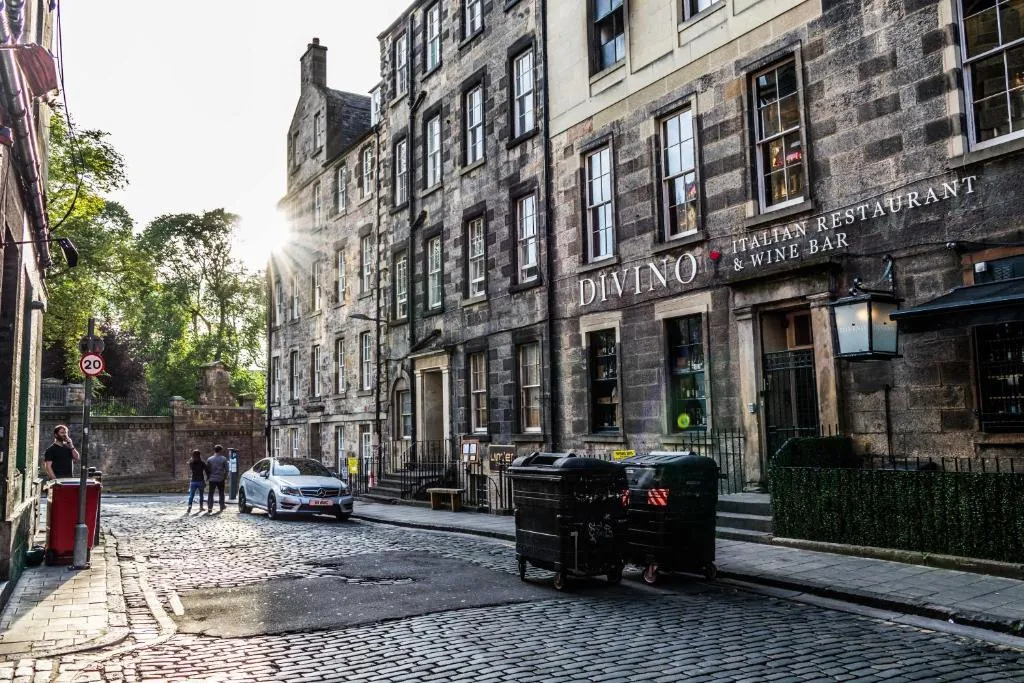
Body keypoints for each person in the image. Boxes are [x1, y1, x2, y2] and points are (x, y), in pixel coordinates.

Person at [206, 444, 229, 512]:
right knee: (221, 493)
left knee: (211, 493)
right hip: (220, 478)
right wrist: (225, 477)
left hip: (212, 479)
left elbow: (207, 470)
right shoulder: (224, 459)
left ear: (214, 450)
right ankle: (222, 506)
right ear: (220, 450)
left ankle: (210, 507)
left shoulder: (209, 459)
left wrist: (208, 477)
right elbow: (227, 470)